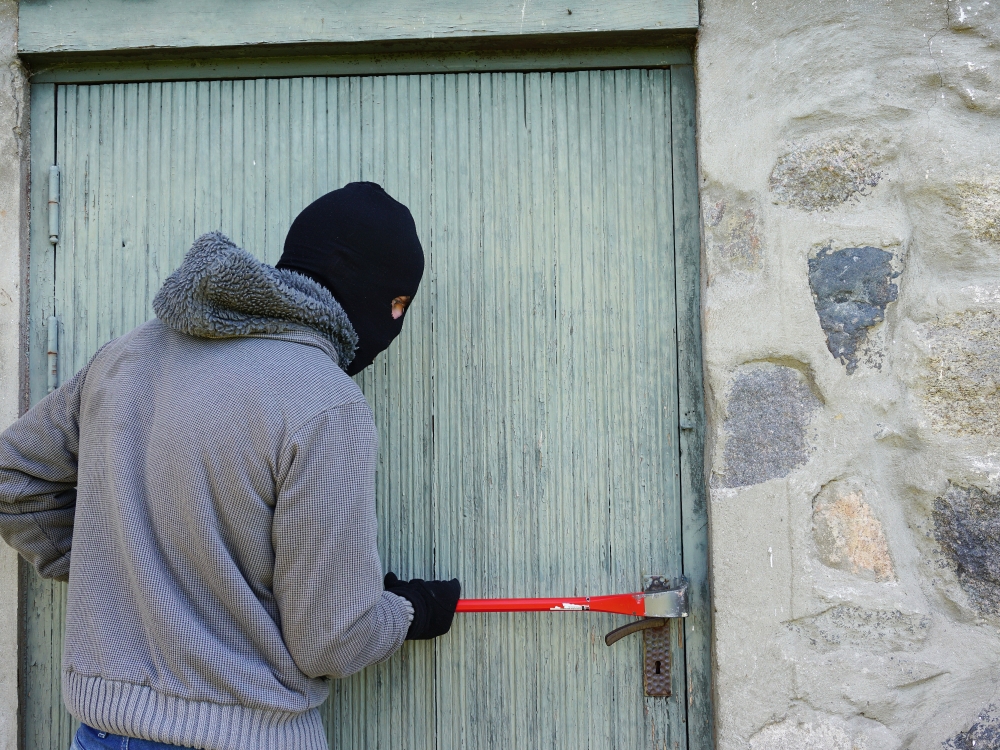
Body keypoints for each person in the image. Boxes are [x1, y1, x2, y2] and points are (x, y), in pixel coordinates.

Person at [0, 182, 460, 750]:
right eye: (396, 303)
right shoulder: (325, 402)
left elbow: (13, 480)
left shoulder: (123, 359)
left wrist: (129, 561)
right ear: (356, 281)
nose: (394, 322)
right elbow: (332, 640)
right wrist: (409, 612)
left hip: (102, 736)